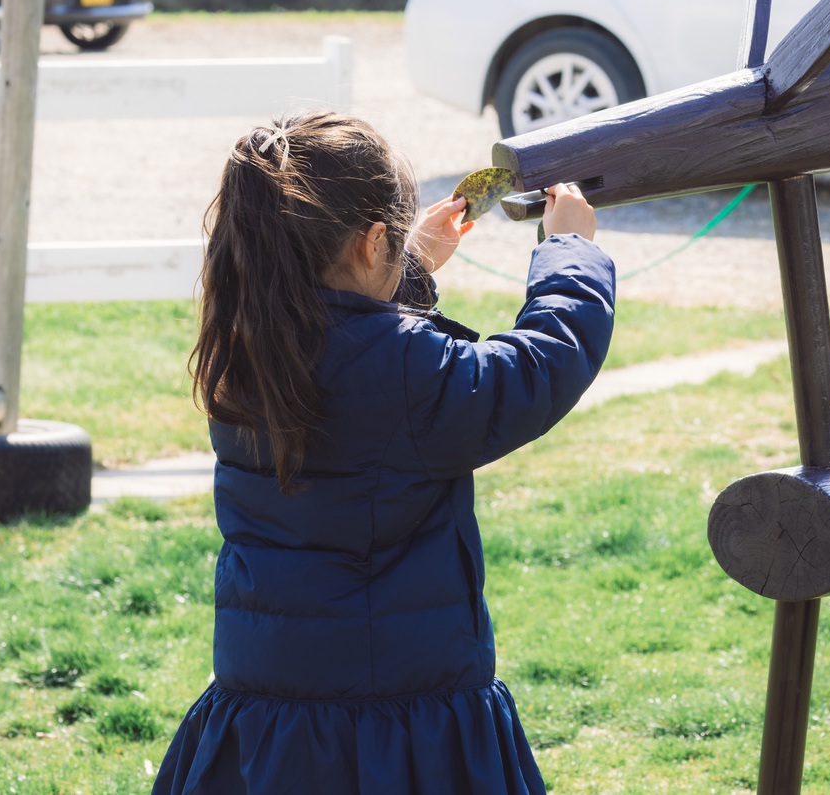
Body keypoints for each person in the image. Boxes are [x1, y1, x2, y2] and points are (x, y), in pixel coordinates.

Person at [153, 111, 614, 794]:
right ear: (372, 245)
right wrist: (569, 252)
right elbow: (539, 368)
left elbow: (345, 338)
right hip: (398, 722)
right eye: (392, 247)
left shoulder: (245, 347)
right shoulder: (409, 372)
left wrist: (414, 264)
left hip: (271, 714)